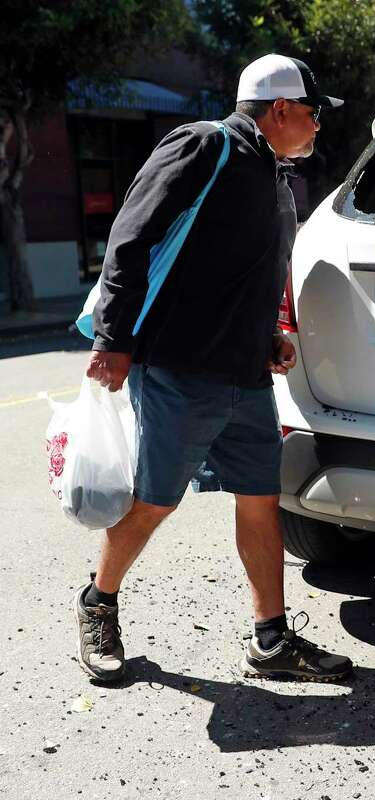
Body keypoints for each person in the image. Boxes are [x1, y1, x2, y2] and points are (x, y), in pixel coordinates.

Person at [75, 55, 352, 683]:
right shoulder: (206, 145)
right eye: (311, 115)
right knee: (152, 501)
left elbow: (243, 273)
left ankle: (270, 640)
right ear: (278, 109)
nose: (316, 128)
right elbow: (130, 237)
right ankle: (99, 601)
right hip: (178, 368)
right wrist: (116, 339)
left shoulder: (273, 176)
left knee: (260, 502)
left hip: (245, 374)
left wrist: (270, 335)